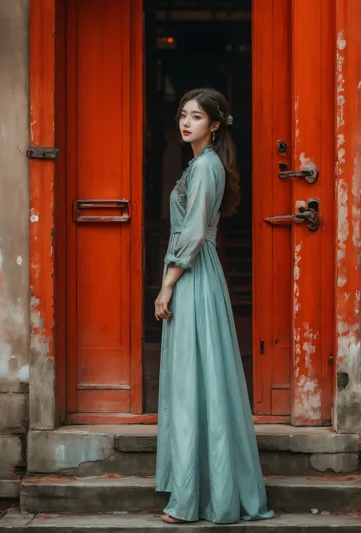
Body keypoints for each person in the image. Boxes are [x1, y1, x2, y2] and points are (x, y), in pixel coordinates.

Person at [154, 87, 275, 524]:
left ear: (215, 124)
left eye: (197, 117)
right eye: (183, 115)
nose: (187, 123)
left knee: (193, 382)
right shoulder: (200, 164)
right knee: (198, 380)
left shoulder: (206, 168)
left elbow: (194, 235)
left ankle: (191, 500)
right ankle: (201, 491)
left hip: (193, 276)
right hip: (198, 274)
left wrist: (167, 285)